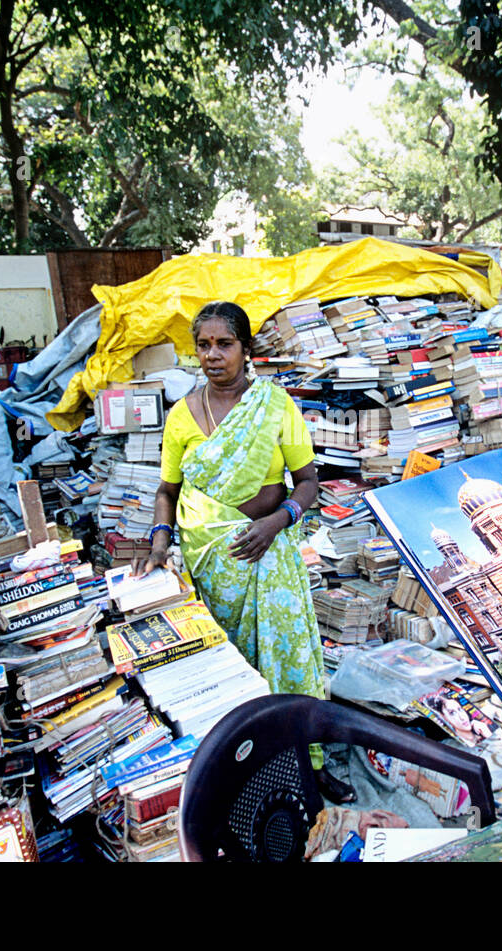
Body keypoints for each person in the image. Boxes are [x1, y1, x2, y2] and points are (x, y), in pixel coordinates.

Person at [134, 301, 353, 801]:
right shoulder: (181, 416)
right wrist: (160, 543)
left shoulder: (275, 406)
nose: (213, 355)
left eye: (224, 344)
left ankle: (307, 762)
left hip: (267, 553)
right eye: (204, 346)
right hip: (209, 561)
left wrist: (277, 522)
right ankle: (242, 773)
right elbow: (167, 491)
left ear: (246, 349)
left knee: (287, 658)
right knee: (229, 673)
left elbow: (307, 482)